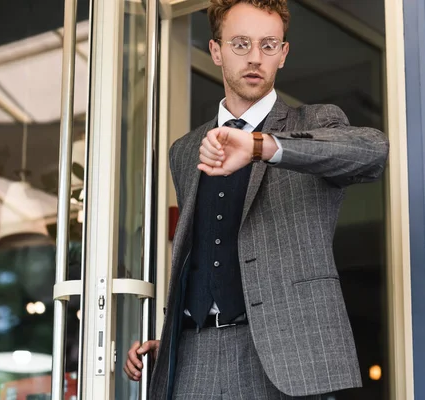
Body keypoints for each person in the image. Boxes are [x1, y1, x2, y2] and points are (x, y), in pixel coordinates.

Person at [124, 0, 389, 398]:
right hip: (195, 357)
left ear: (283, 54)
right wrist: (174, 340)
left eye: (268, 45)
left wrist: (260, 145)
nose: (255, 58)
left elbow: (372, 152)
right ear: (216, 51)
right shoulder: (185, 149)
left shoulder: (313, 123)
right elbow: (201, 257)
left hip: (287, 359)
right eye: (240, 44)